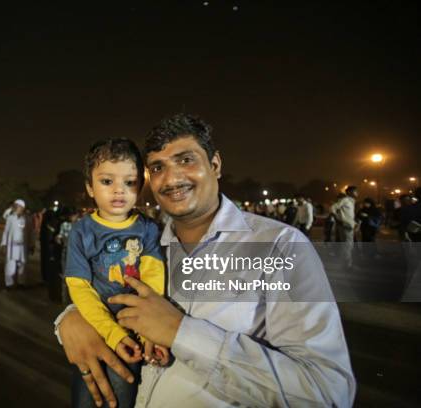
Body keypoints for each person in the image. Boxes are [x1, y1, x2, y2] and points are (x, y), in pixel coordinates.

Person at [54, 113, 355, 408]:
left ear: (215, 164)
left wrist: (181, 332)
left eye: (186, 160)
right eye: (158, 167)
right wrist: (70, 319)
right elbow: (104, 285)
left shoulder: (280, 247)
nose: (172, 178)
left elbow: (327, 392)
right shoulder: (149, 245)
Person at [65, 139, 167, 407]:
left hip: (135, 329)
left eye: (130, 182)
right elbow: (79, 287)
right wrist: (110, 332)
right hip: (96, 328)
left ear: (140, 186)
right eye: (107, 181)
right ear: (90, 187)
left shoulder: (148, 229)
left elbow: (153, 281)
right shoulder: (81, 231)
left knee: (122, 394)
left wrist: (148, 333)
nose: (119, 190)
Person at [1, 199, 33, 289]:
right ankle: (9, 283)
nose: (16, 208)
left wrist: (32, 244)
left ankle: (21, 283)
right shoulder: (10, 218)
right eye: (15, 206)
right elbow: (6, 231)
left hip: (23, 246)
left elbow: (31, 232)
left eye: (18, 206)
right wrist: (4, 244)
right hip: (12, 246)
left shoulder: (28, 218)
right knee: (10, 264)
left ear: (22, 207)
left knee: (22, 264)